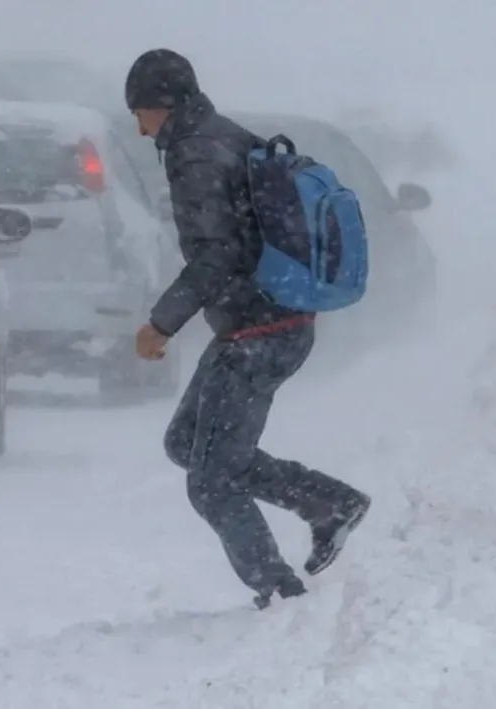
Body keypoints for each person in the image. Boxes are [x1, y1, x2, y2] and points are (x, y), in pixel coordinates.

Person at [125, 48, 372, 608]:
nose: (138, 130)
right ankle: (328, 503)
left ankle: (279, 593)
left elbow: (215, 256)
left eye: (139, 113)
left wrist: (160, 325)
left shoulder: (193, 154)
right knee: (187, 443)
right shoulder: (222, 135)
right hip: (270, 324)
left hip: (258, 333)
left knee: (211, 481)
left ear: (160, 106)